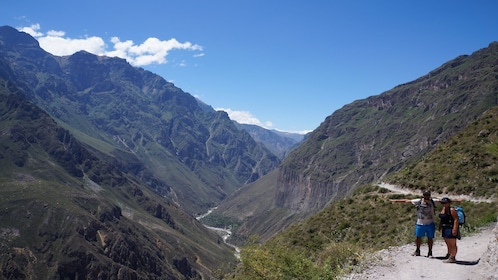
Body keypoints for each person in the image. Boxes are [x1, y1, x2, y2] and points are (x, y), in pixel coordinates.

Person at [390, 191, 438, 257]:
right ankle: (417, 250)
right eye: (425, 195)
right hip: (420, 223)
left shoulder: (433, 201)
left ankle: (430, 252)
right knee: (418, 237)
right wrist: (396, 201)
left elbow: (444, 201)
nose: (427, 196)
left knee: (430, 238)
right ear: (423, 195)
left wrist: (457, 200)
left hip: (430, 223)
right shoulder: (419, 201)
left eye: (428, 195)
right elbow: (407, 201)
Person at [438, 197, 460, 263]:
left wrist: (455, 229)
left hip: (450, 228)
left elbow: (456, 219)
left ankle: (453, 257)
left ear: (449, 203)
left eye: (445, 203)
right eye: (443, 203)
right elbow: (442, 219)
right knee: (448, 243)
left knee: (452, 244)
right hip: (445, 228)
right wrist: (440, 226)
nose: (444, 204)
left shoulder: (452, 210)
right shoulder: (444, 209)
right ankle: (449, 254)